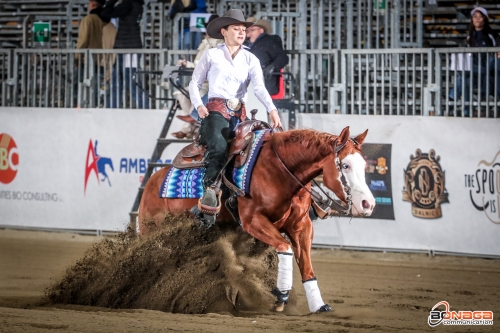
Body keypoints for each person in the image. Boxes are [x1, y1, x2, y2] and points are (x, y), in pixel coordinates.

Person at [188, 9, 282, 211]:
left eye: (243, 29)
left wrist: (272, 109)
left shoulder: (251, 58)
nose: (241, 32)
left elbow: (259, 88)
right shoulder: (211, 54)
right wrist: (199, 105)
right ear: (224, 31)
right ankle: (209, 193)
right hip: (215, 110)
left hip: (239, 113)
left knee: (257, 149)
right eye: (236, 28)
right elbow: (194, 83)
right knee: (220, 149)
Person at [172, 14, 222, 139]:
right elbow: (198, 64)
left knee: (197, 95)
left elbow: (202, 66)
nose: (207, 31)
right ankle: (194, 126)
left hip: (208, 83)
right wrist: (187, 64)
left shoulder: (218, 44)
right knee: (181, 94)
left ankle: (189, 127)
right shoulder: (207, 43)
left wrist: (186, 64)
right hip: (201, 81)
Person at [449, 7, 500, 112]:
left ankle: (452, 97)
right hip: (474, 70)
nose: (477, 19)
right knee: (465, 79)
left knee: (464, 71)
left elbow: (497, 54)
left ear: (485, 19)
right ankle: (467, 111)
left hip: (487, 69)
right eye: (475, 16)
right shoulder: (469, 37)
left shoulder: (492, 35)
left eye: (480, 16)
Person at [101, 0, 148, 109]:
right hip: (129, 48)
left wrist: (111, 1)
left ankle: (145, 107)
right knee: (120, 80)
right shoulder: (137, 4)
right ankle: (111, 107)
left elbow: (106, 13)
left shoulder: (128, 4)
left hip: (128, 49)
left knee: (129, 80)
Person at [74, 0, 110, 106]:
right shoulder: (107, 21)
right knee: (97, 87)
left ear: (93, 4)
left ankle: (81, 107)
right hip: (101, 59)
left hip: (86, 60)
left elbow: (83, 40)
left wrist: (76, 57)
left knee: (78, 86)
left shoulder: (88, 19)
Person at [245, 18, 289, 95]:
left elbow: (283, 57)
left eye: (252, 30)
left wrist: (271, 67)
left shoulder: (268, 41)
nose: (249, 34)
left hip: (264, 85)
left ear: (261, 30)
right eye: (248, 31)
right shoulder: (247, 44)